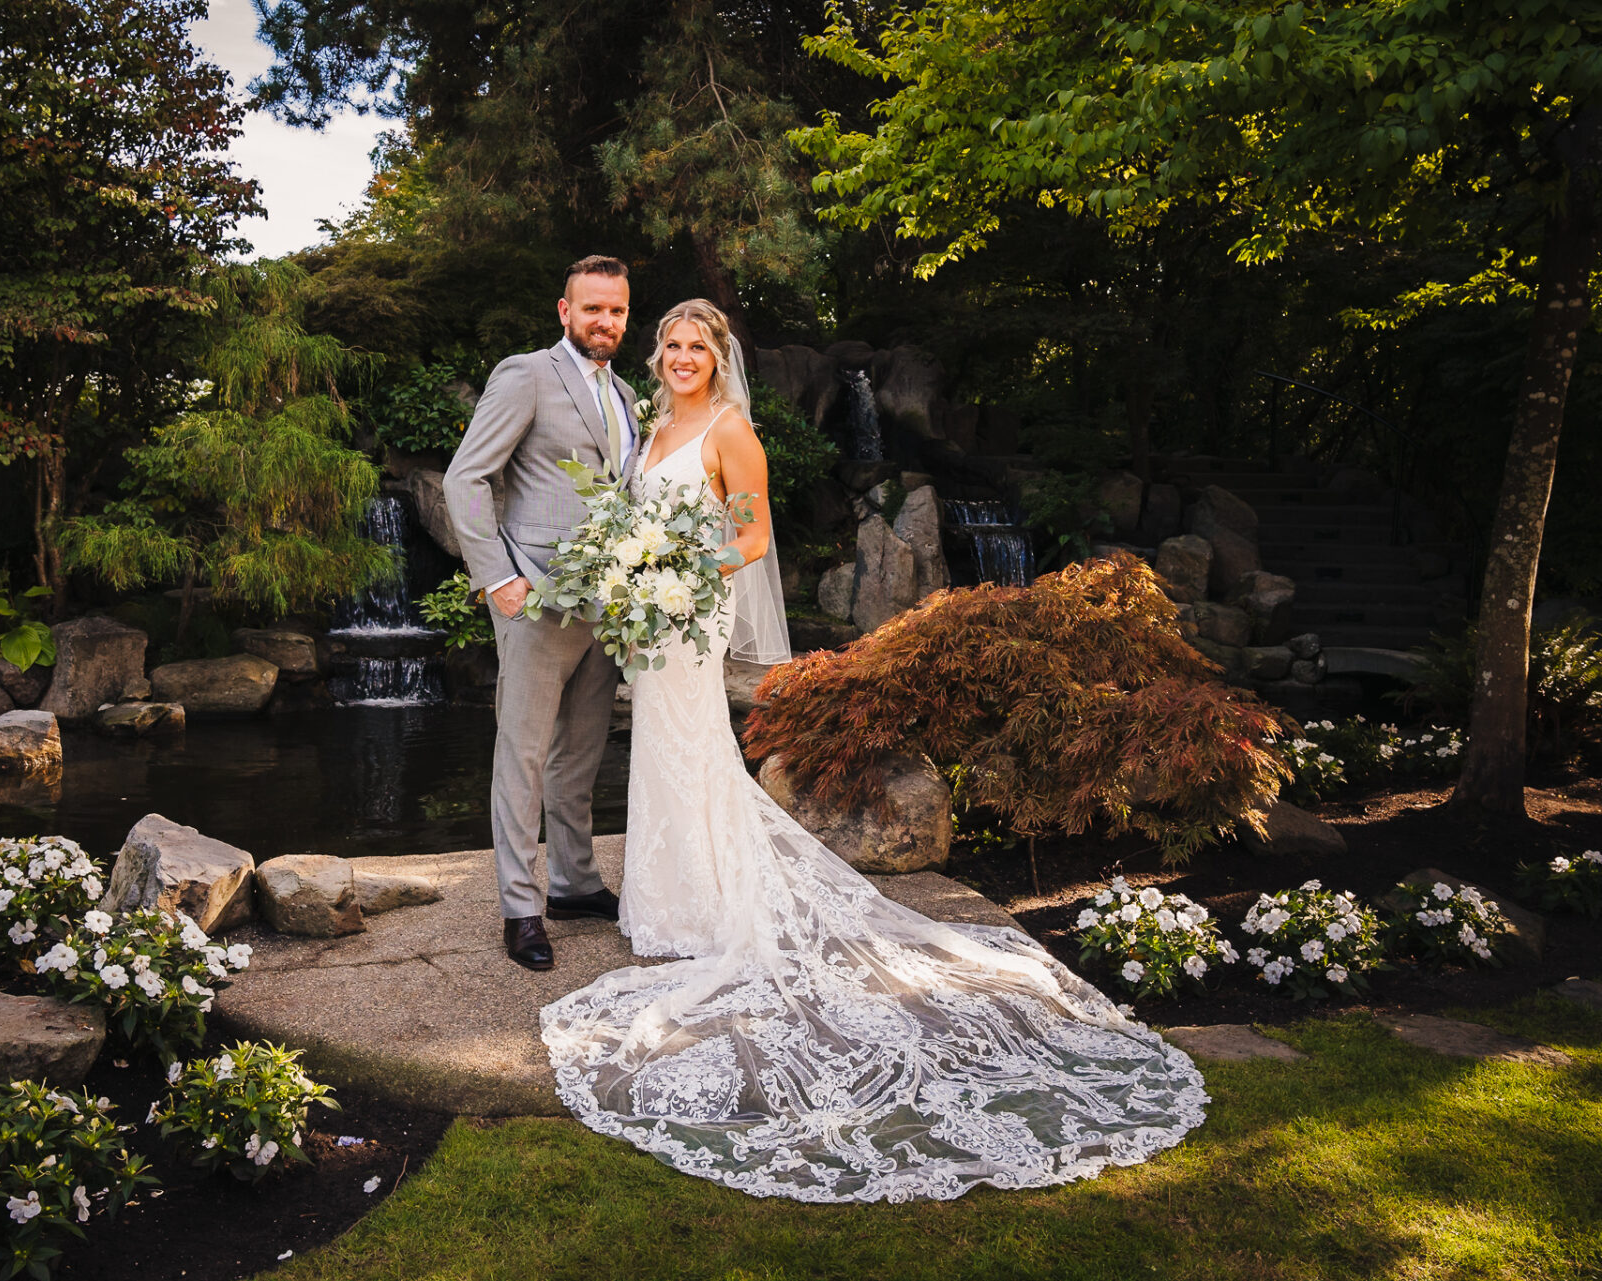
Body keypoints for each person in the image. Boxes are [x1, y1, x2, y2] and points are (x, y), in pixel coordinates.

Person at [539, 299, 1209, 1203]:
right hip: (650, 612)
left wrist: (685, 573)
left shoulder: (734, 432)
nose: (683, 356)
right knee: (662, 752)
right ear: (658, 356)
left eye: (698, 345)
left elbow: (753, 533)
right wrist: (632, 565)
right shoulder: (657, 426)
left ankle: (708, 909)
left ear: (719, 356)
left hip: (691, 611)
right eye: (673, 345)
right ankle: (672, 899)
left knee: (692, 746)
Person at [443, 255, 640, 971]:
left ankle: (575, 881)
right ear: (565, 311)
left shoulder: (625, 394)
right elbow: (466, 476)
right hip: (536, 600)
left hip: (607, 606)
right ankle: (522, 909)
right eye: (592, 309)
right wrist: (498, 577)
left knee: (580, 751)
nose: (605, 321)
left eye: (616, 310)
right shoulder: (527, 374)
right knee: (523, 756)